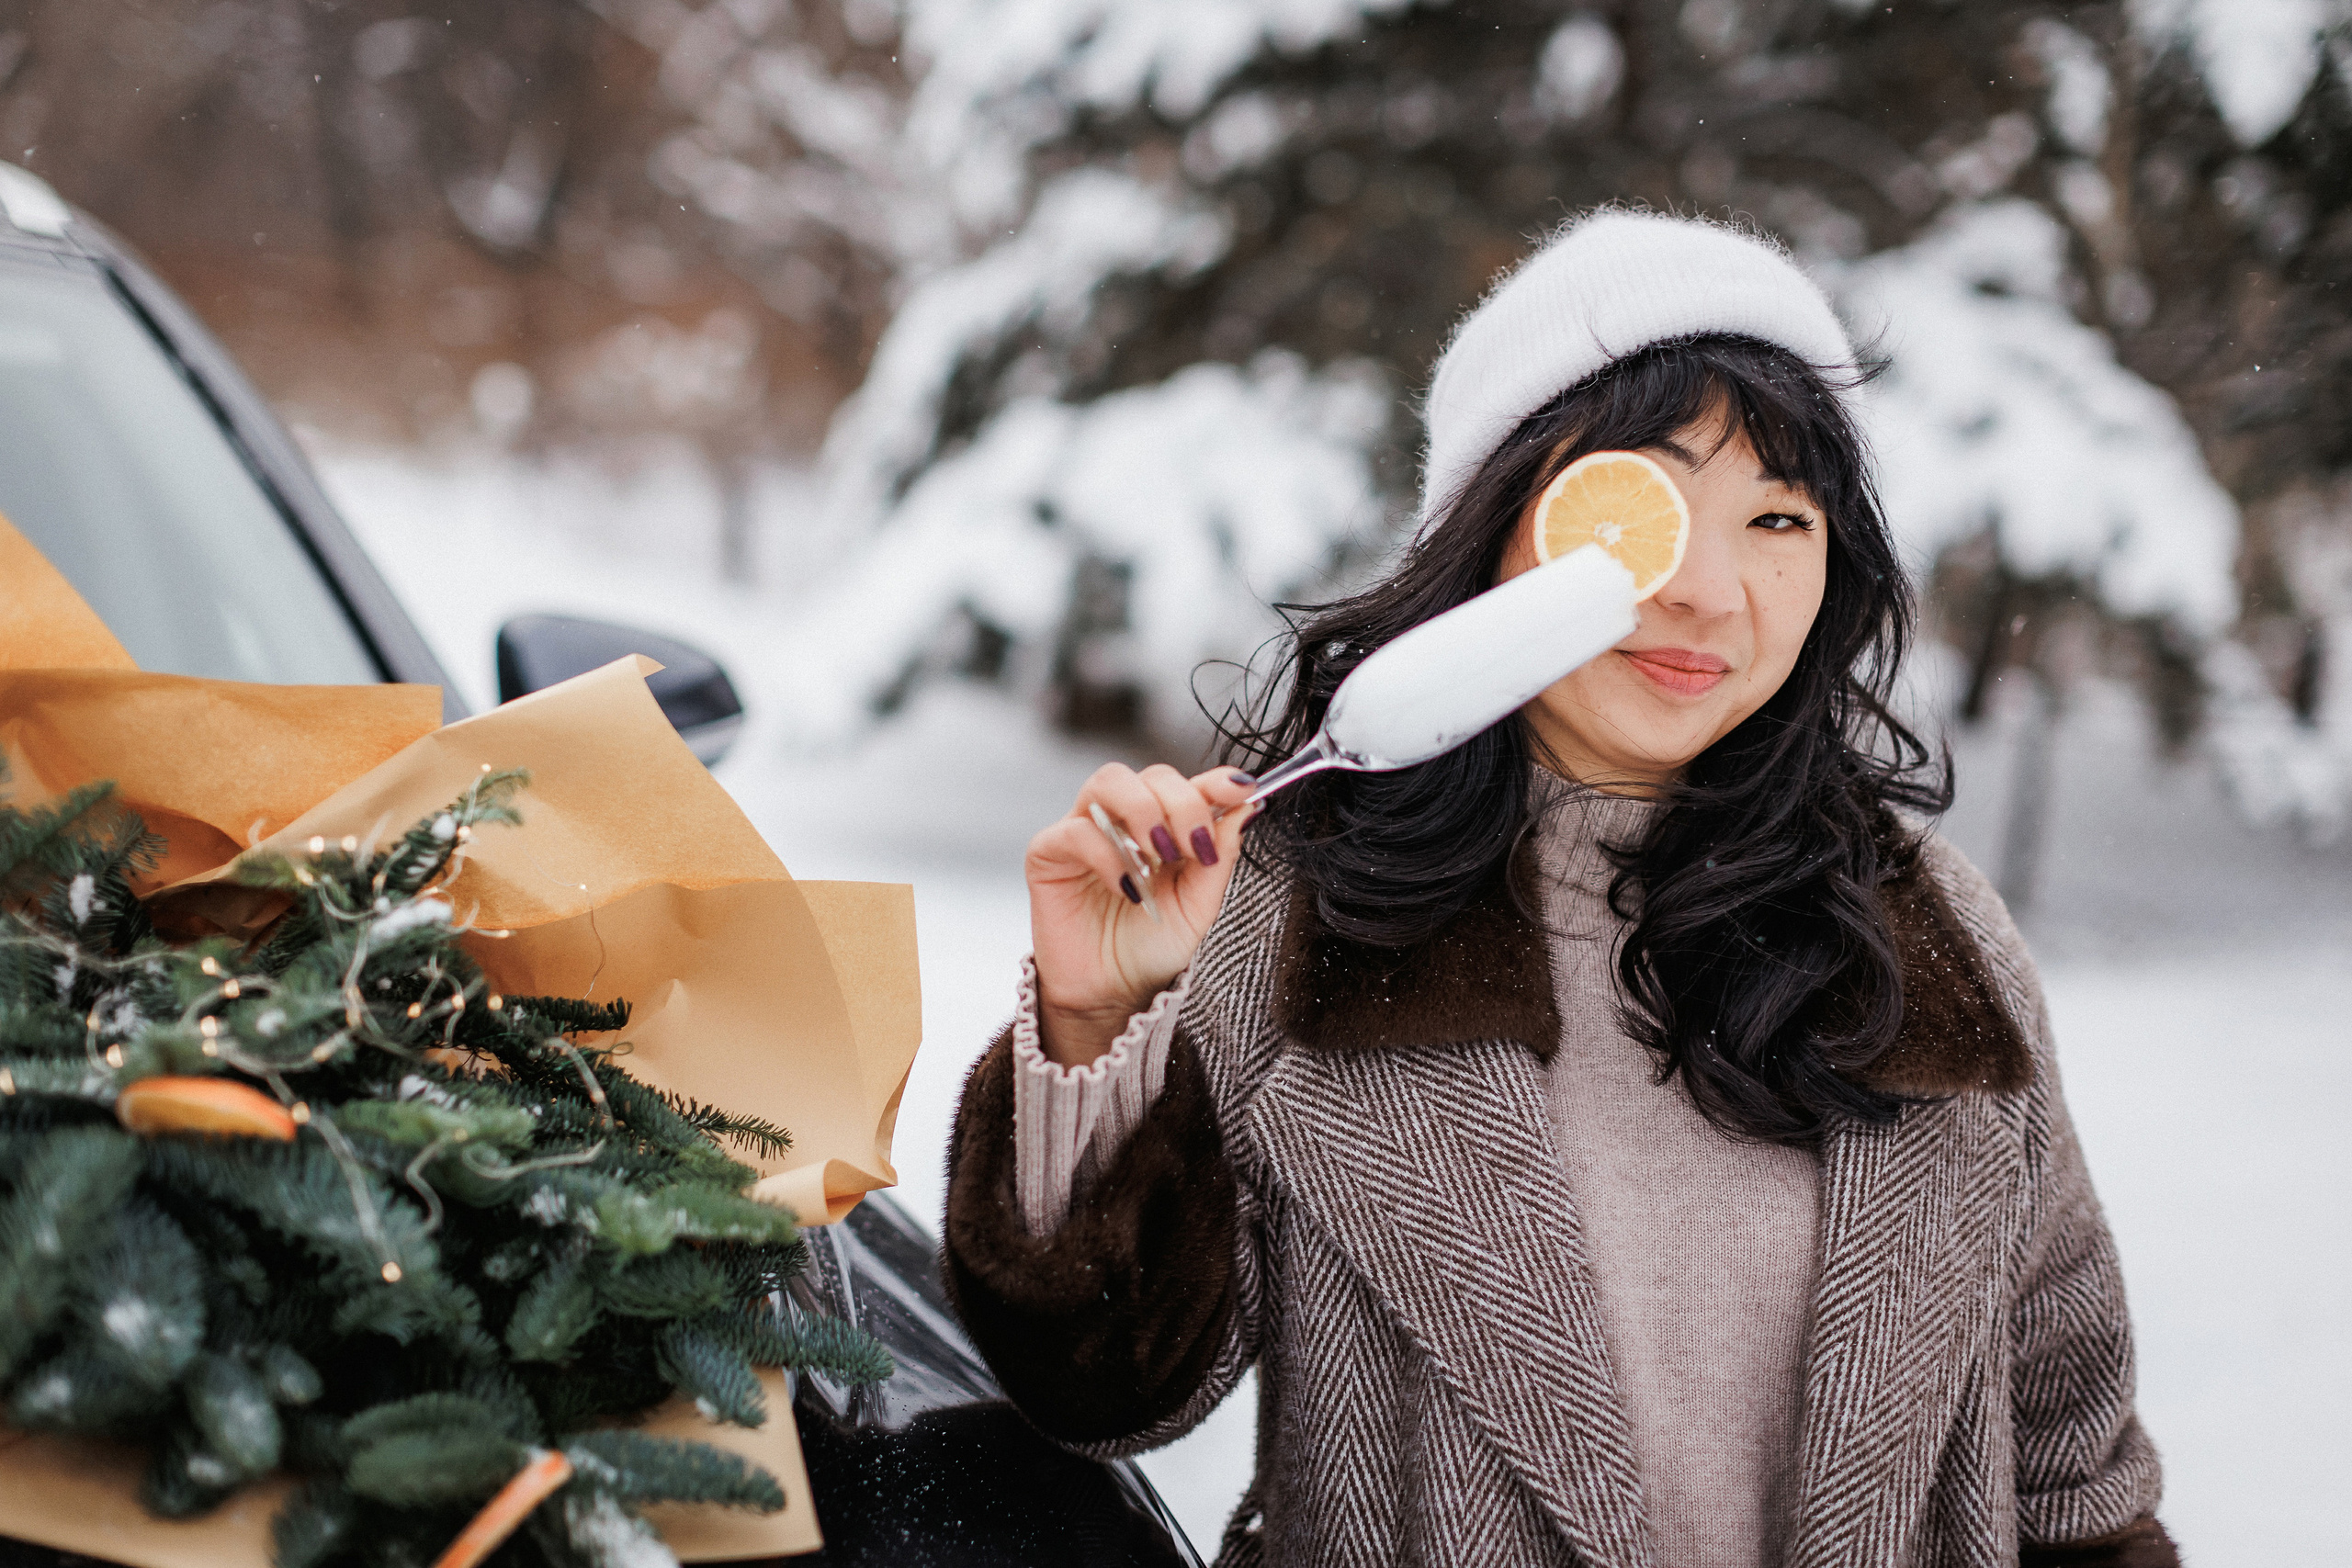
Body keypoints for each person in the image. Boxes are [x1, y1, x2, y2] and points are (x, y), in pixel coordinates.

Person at [942, 209, 2176, 1568]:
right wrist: (1092, 1022)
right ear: (1491, 537)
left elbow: (2073, 1475)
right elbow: (1105, 1386)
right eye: (1635, 507)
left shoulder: (1924, 930)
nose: (1707, 591)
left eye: (1777, 516)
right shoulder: (1306, 913)